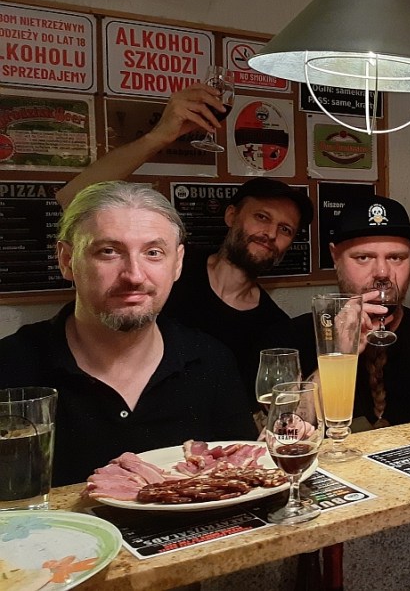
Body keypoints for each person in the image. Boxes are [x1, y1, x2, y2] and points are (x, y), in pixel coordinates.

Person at [56, 85, 313, 406]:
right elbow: (73, 200)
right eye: (261, 217)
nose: (270, 233)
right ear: (231, 215)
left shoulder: (273, 326)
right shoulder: (163, 264)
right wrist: (160, 136)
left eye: (285, 229)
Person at [0, 182, 255, 485]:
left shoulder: (212, 362)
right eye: (108, 252)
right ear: (67, 260)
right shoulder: (10, 367)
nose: (134, 275)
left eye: (153, 253)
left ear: (177, 263)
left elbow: (246, 485)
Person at [275, 195, 410, 429]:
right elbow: (284, 433)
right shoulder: (295, 336)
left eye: (396, 257)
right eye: (363, 257)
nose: (382, 272)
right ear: (335, 256)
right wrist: (339, 354)